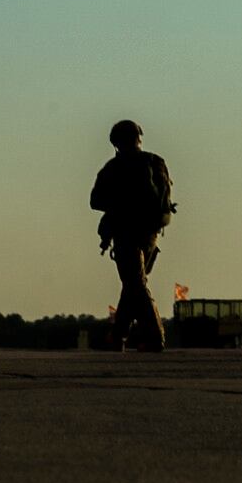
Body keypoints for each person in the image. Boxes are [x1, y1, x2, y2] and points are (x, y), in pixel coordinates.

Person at [90, 120, 174, 352]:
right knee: (132, 284)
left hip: (126, 233)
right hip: (151, 234)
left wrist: (118, 206)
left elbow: (95, 201)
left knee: (136, 284)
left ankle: (155, 337)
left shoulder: (114, 167)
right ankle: (117, 337)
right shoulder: (155, 162)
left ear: (116, 142)